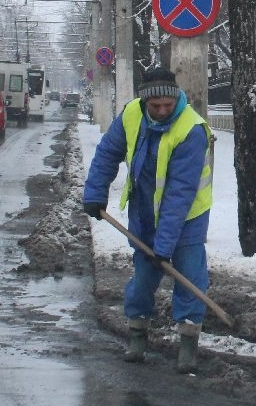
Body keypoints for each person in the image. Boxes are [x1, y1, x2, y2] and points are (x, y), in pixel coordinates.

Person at [82, 66, 213, 370]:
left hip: (188, 218)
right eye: (156, 106)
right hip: (144, 214)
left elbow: (179, 194)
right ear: (144, 102)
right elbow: (107, 153)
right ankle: (137, 337)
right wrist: (95, 193)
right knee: (142, 279)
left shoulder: (191, 130)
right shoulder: (131, 114)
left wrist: (163, 246)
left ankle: (188, 346)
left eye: (168, 104)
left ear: (176, 98)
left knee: (190, 278)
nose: (163, 111)